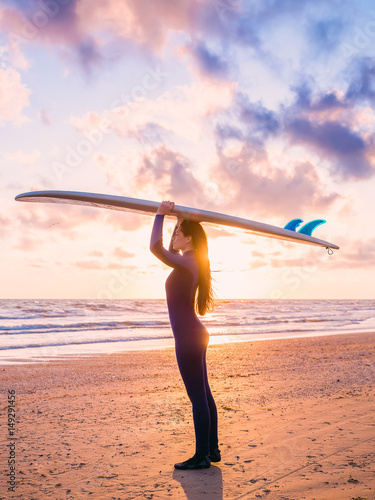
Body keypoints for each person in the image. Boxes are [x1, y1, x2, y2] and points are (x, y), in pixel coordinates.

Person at [150, 200, 220, 470]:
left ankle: (201, 455)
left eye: (179, 232)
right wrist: (175, 221)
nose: (175, 236)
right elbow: (167, 248)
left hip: (189, 338)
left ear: (189, 239)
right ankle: (211, 449)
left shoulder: (188, 263)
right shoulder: (190, 261)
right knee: (205, 395)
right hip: (195, 334)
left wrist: (159, 215)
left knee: (198, 398)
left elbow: (155, 248)